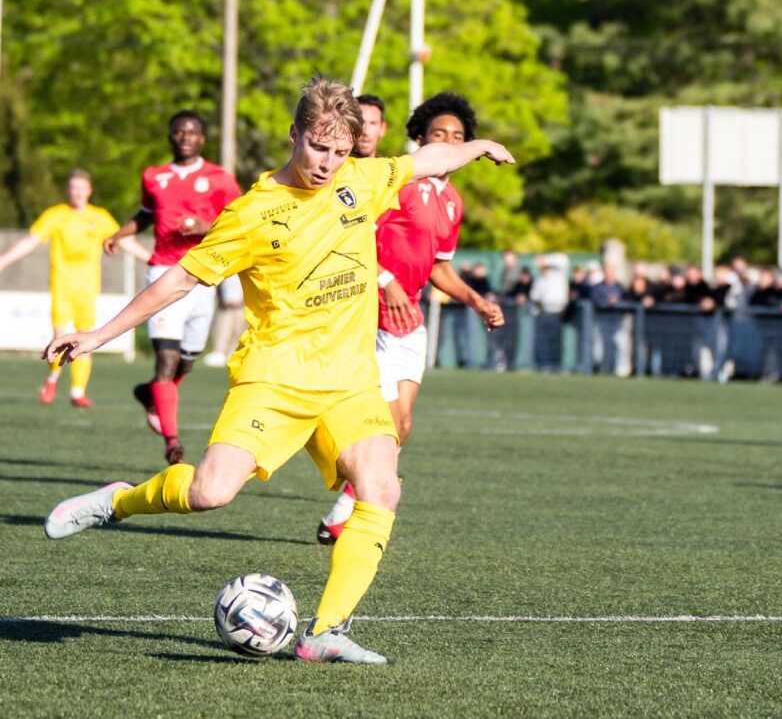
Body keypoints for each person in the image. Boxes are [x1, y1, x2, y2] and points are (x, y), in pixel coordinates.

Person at [40, 76, 515, 664]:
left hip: (348, 381)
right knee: (210, 492)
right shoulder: (254, 213)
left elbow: (428, 158)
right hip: (275, 379)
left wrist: (479, 147)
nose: (327, 163)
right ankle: (119, 501)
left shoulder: (359, 181)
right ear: (294, 135)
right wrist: (96, 336)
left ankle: (326, 632)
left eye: (340, 151)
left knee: (381, 488)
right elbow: (180, 279)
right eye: (318, 147)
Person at [316, 92, 504, 545]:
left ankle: (340, 513)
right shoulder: (393, 182)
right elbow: (351, 239)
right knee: (381, 424)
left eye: (458, 137)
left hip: (409, 320)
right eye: (439, 134)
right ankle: (353, 509)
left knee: (402, 426)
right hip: (367, 314)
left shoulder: (452, 202)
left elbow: (439, 267)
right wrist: (385, 280)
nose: (448, 142)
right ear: (419, 138)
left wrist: (477, 301)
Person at [104, 110, 243, 465]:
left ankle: (151, 394)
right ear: (170, 135)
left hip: (202, 277)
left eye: (192, 131)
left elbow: (240, 223)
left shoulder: (219, 179)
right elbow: (146, 213)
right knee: (166, 358)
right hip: (164, 273)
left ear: (202, 138)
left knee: (186, 362)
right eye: (179, 131)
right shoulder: (154, 176)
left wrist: (204, 228)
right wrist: (121, 233)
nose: (185, 136)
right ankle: (171, 441)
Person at [0, 169, 122, 407]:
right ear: (68, 190)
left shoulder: (100, 217)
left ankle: (77, 392)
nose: (77, 192)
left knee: (86, 339)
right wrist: (2, 261)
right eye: (73, 188)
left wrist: (155, 258)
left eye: (82, 188)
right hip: (62, 285)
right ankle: (53, 377)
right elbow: (31, 240)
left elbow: (124, 239)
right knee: (60, 337)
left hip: (88, 289)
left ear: (89, 190)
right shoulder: (56, 215)